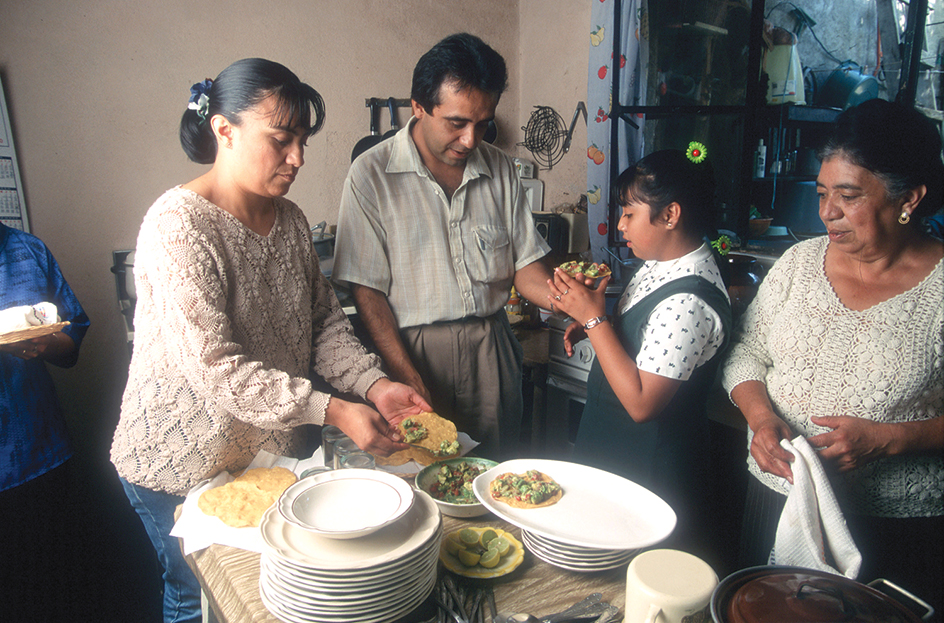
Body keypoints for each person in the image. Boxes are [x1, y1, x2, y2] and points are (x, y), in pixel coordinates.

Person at [110, 58, 429, 623]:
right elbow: (217, 369)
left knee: (263, 594)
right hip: (177, 460)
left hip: (257, 457)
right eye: (281, 140)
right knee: (197, 594)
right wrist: (333, 408)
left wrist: (375, 386)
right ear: (223, 130)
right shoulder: (178, 227)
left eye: (303, 140)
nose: (298, 158)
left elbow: (324, 325)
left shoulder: (290, 221)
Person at [721, 98, 943, 613]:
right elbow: (746, 354)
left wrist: (890, 440)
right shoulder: (799, 264)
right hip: (779, 499)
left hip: (893, 528)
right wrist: (760, 418)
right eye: (822, 193)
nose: (827, 213)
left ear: (909, 197)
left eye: (848, 195)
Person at [332, 33, 553, 460]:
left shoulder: (501, 168)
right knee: (421, 478)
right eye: (457, 122)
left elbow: (525, 265)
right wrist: (403, 372)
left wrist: (561, 298)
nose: (472, 140)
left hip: (493, 350)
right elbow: (367, 290)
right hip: (414, 352)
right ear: (419, 106)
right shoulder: (371, 174)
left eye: (483, 122)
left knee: (495, 475)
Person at [549, 146, 732, 556]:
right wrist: (601, 326)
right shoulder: (658, 265)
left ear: (670, 215)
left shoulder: (689, 301)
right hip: (614, 457)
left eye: (630, 213)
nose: (620, 224)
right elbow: (649, 344)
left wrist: (596, 322)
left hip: (650, 471)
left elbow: (642, 403)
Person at [0, 223, 90, 621]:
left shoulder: (26, 250)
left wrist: (44, 342)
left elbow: (71, 342)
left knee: (46, 590)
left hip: (39, 453)